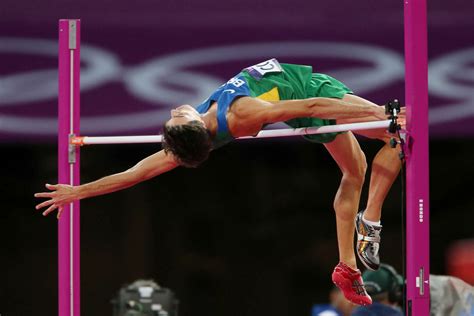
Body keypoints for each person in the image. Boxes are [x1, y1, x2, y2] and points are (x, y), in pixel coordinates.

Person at [35, 59, 403, 305]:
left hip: (299, 102)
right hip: (306, 89)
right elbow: (311, 106)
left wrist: (78, 191)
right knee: (397, 134)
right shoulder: (241, 114)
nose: (174, 112)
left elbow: (134, 173)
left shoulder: (193, 132)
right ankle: (370, 218)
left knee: (354, 172)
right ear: (195, 129)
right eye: (176, 119)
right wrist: (377, 111)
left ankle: (347, 265)